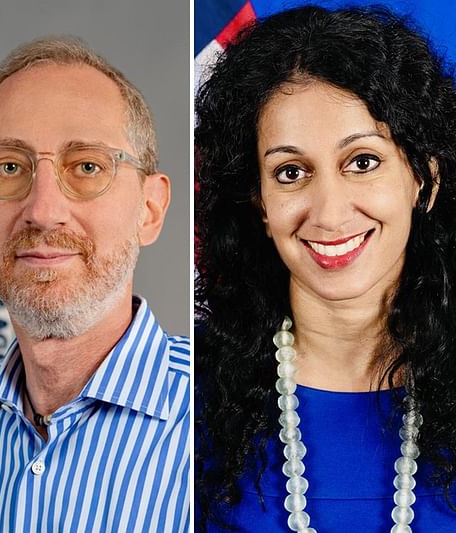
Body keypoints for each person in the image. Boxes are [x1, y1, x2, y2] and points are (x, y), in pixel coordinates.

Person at [195, 6, 456, 532]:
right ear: (261, 204)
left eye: (362, 161)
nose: (330, 213)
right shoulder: (186, 397)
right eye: (291, 172)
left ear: (423, 181)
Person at [0, 37, 189, 532]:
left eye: (87, 167)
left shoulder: (218, 419)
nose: (43, 211)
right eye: (9, 168)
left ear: (150, 210)